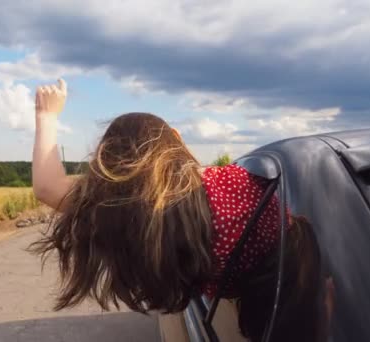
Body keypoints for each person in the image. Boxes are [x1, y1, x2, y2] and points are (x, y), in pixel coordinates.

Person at [30, 79, 334, 338]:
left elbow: (47, 187)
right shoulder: (237, 187)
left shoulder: (130, 218)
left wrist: (46, 115)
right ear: (176, 140)